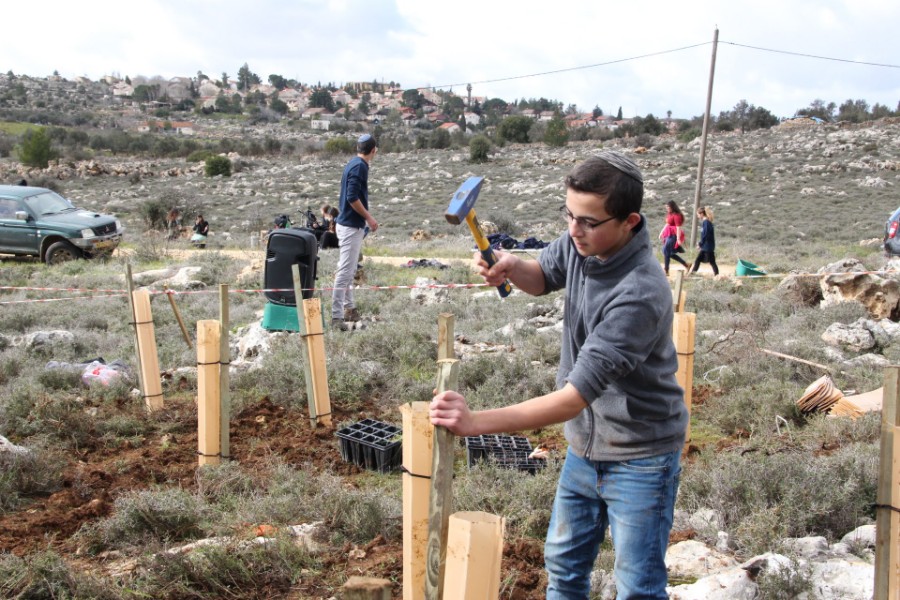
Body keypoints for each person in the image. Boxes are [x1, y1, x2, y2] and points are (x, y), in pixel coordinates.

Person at [430, 152, 687, 600]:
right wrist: (510, 266)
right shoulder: (582, 241)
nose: (573, 229)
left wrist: (475, 424)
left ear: (629, 222)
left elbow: (573, 398)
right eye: (569, 214)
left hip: (640, 455)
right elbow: (543, 274)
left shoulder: (640, 293)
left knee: (636, 587)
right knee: (564, 570)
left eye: (588, 220)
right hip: (584, 449)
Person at [331, 134, 379, 328]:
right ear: (373, 150)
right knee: (344, 271)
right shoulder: (360, 166)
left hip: (348, 224)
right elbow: (352, 197)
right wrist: (369, 217)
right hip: (351, 226)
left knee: (349, 270)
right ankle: (336, 317)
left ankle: (350, 309)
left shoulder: (354, 163)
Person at [690, 206, 719, 276]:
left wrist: (700, 243)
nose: (697, 216)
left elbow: (705, 235)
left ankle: (692, 274)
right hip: (708, 246)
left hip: (707, 246)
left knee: (707, 261)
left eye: (698, 214)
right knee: (708, 261)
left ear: (702, 214)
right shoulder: (707, 222)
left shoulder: (706, 223)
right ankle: (717, 274)